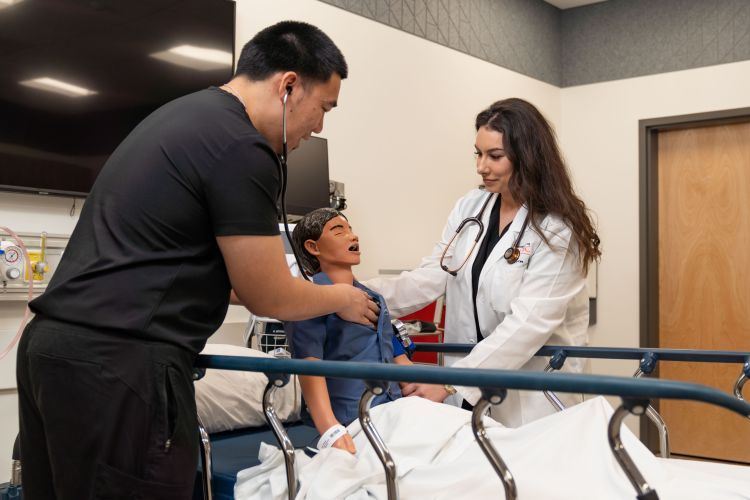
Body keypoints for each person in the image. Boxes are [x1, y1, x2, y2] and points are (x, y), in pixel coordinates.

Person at [16, 21, 379, 500]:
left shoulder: (185, 117)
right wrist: (341, 298)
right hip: (122, 367)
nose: (318, 127)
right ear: (289, 85)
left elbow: (195, 270)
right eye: (323, 108)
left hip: (53, 352)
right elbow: (265, 294)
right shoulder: (242, 146)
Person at [366, 98, 601, 427]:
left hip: (532, 394)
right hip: (467, 388)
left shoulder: (558, 229)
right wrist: (360, 294)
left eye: (495, 156)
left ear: (527, 157)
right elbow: (434, 274)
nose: (481, 167)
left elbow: (528, 324)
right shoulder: (471, 207)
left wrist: (454, 381)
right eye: (478, 153)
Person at [284, 208, 412, 454]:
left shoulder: (374, 298)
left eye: (351, 229)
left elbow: (397, 358)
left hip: (395, 410)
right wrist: (330, 428)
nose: (353, 236)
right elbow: (309, 367)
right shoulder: (308, 300)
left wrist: (426, 391)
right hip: (352, 420)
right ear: (313, 247)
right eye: (338, 230)